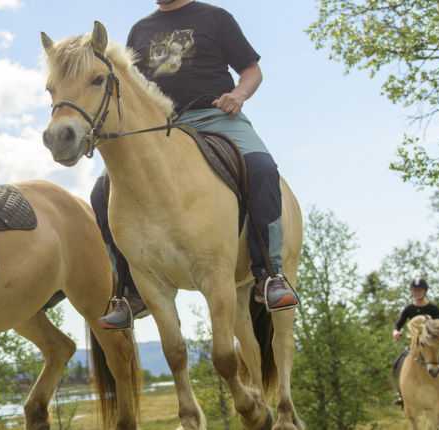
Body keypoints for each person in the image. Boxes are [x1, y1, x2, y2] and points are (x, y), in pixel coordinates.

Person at [95, 0, 297, 330]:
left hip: (214, 116)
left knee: (261, 167)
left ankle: (269, 275)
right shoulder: (140, 30)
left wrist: (239, 95)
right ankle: (128, 291)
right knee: (100, 192)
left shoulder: (215, 17)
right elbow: (128, 88)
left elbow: (251, 69)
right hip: (159, 128)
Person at [390, 277, 439, 407]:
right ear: (412, 292)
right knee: (396, 363)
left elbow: (438, 326)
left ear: (425, 292)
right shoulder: (408, 309)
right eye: (415, 290)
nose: (417, 293)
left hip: (432, 345)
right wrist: (396, 332)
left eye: (420, 290)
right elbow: (397, 325)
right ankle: (401, 395)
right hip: (417, 345)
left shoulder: (433, 309)